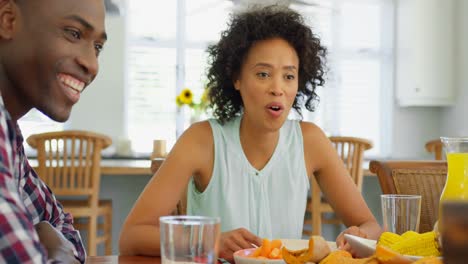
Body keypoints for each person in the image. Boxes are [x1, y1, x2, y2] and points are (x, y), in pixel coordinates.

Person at [120, 5, 382, 261]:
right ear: (236, 78)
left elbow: (370, 225)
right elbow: (132, 237)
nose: (277, 88)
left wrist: (358, 235)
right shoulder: (201, 140)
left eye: (289, 76)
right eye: (263, 74)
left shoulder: (310, 141)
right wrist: (211, 241)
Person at [0, 0, 107, 262]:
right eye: (73, 33)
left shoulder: (10, 135)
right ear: (8, 20)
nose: (92, 65)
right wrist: (56, 251)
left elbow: (63, 225)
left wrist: (56, 248)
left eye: (97, 47)